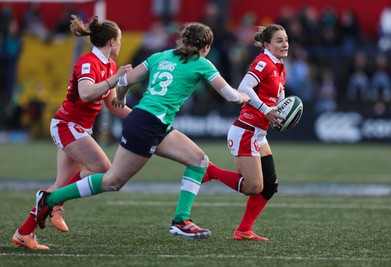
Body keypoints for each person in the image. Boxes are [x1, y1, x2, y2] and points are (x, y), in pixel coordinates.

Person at [34, 22, 249, 246]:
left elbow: (125, 80)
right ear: (205, 47)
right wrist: (246, 97)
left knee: (198, 160)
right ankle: (51, 198)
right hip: (146, 125)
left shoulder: (160, 56)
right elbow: (231, 96)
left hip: (153, 123)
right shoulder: (202, 63)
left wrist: (122, 97)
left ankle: (181, 220)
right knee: (112, 181)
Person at [12, 15, 132, 250]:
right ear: (112, 41)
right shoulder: (88, 62)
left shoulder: (109, 65)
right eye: (119, 40)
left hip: (78, 128)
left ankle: (24, 232)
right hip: (67, 125)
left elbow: (110, 103)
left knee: (61, 185)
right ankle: (55, 203)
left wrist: (141, 117)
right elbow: (86, 94)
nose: (120, 44)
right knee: (105, 169)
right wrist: (114, 80)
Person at [202, 24, 288, 241]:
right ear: (267, 45)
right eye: (279, 40)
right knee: (253, 187)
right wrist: (267, 110)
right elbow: (243, 88)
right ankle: (211, 171)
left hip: (258, 133)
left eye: (286, 39)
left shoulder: (279, 66)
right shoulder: (264, 61)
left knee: (269, 187)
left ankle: (243, 231)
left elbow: (279, 99)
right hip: (246, 130)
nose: (285, 43)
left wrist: (282, 114)